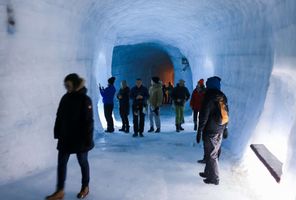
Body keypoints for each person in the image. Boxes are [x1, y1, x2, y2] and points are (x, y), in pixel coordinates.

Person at [46, 74, 94, 200]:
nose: (66, 88)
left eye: (68, 85)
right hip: (65, 137)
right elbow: (59, 116)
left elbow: (89, 122)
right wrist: (57, 132)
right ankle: (60, 191)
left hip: (81, 139)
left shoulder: (85, 99)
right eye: (65, 85)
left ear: (75, 84)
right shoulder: (65, 98)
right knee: (61, 163)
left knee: (82, 162)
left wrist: (88, 139)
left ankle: (85, 187)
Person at [196, 76, 229, 185]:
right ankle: (208, 172)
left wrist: (199, 130)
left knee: (211, 154)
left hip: (210, 129)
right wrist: (226, 128)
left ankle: (214, 178)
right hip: (220, 128)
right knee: (211, 152)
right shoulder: (222, 96)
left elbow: (203, 116)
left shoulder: (209, 97)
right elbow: (227, 114)